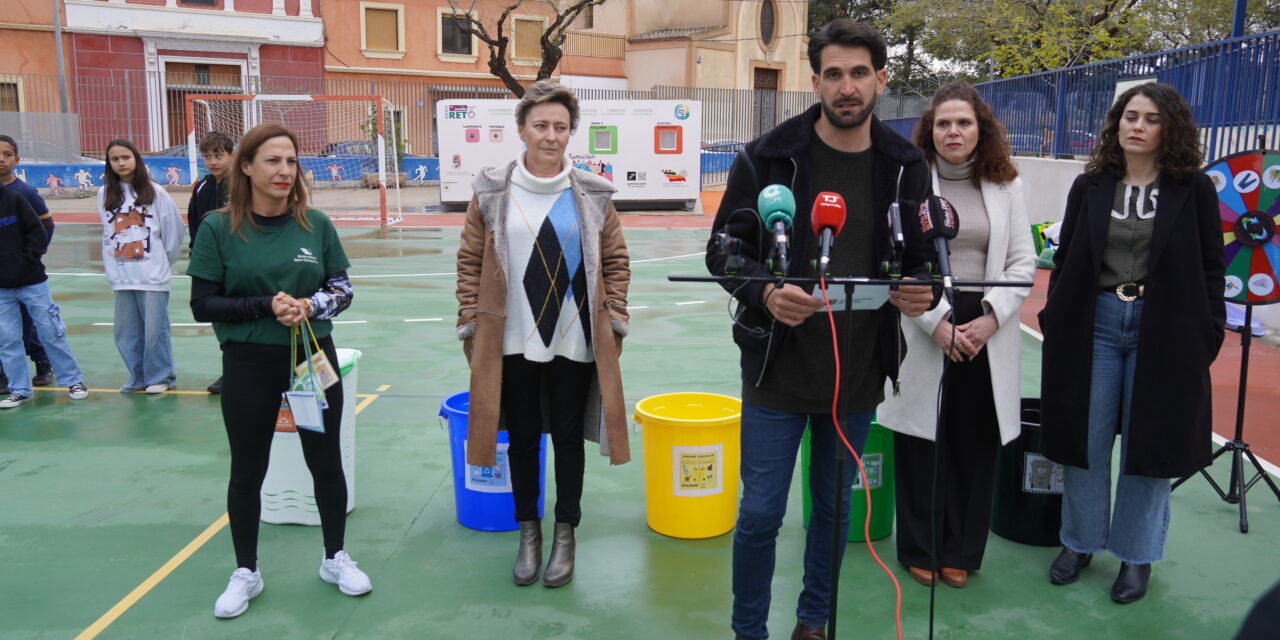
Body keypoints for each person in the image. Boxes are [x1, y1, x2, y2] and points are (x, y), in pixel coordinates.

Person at [706, 20, 936, 640]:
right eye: (833, 74)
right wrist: (764, 292)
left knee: (833, 509)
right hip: (775, 369)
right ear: (815, 83)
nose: (847, 87)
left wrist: (924, 289)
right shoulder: (766, 157)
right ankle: (748, 630)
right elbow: (724, 249)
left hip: (857, 376)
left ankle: (813, 623)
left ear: (881, 79)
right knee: (760, 514)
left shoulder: (906, 166)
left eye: (859, 73)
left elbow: (922, 261)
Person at [1039, 82, 1225, 604]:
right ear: (1116, 123)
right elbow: (1065, 259)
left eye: (1150, 119)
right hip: (1094, 324)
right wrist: (1055, 317)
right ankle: (1079, 542)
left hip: (1164, 329)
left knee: (1150, 447)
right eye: (1129, 116)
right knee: (1085, 441)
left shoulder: (1194, 189)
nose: (1137, 126)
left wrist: (1208, 333)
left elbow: (1212, 267)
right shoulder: (1091, 185)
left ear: (1170, 129)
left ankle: (1136, 555)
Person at [454, 79, 631, 589]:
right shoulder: (491, 192)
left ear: (570, 132)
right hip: (511, 337)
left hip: (574, 337)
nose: (551, 135)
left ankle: (565, 532)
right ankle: (528, 532)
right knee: (523, 438)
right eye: (541, 125)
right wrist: (470, 319)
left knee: (570, 439)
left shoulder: (593, 194)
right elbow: (469, 261)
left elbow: (616, 260)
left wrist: (615, 317)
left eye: (560, 126)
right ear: (521, 130)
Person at [188, 123, 369, 618]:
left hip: (311, 358)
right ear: (246, 166)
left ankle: (335, 557)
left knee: (325, 461)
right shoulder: (218, 228)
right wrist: (265, 305)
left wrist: (309, 305)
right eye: (272, 160)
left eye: (291, 160)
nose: (284, 170)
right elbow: (203, 304)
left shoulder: (317, 224)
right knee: (248, 470)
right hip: (248, 363)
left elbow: (342, 290)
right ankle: (246, 570)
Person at [877, 82, 1036, 589]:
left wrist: (990, 318)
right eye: (943, 123)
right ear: (929, 131)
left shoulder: (1006, 185)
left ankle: (961, 550)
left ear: (980, 130)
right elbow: (896, 263)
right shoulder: (910, 182)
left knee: (974, 440)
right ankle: (921, 548)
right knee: (923, 439)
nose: (953, 132)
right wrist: (937, 323)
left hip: (986, 324)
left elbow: (1022, 261)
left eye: (963, 122)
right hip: (925, 318)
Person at [99, 139, 185, 394]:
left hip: (152, 275)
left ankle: (161, 377)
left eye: (126, 157)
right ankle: (138, 376)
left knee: (155, 331)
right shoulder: (104, 194)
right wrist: (113, 266)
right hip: (121, 275)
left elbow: (173, 231)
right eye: (115, 159)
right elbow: (108, 234)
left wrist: (161, 262)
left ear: (136, 159)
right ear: (109, 163)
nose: (121, 163)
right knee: (126, 333)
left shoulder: (155, 192)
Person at [0, 185, 90, 408]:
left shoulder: (14, 199)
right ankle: (19, 390)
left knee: (51, 332)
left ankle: (73, 382)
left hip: (32, 282)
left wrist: (28, 260)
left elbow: (37, 232)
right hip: (2, 289)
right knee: (8, 340)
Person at [0, 135, 57, 392]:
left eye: (7, 154)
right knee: (6, 327)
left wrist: (30, 257)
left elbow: (46, 226)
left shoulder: (25, 193)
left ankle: (41, 360)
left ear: (17, 160)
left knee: (25, 323)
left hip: (23, 274)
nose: (1, 159)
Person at [189, 131, 237, 394]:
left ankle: (241, 372)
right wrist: (197, 256)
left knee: (243, 318)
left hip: (239, 263)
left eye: (218, 155)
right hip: (212, 266)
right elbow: (195, 225)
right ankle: (231, 372)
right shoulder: (201, 187)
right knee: (220, 319)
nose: (213, 161)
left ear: (231, 155)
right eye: (207, 156)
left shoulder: (243, 185)